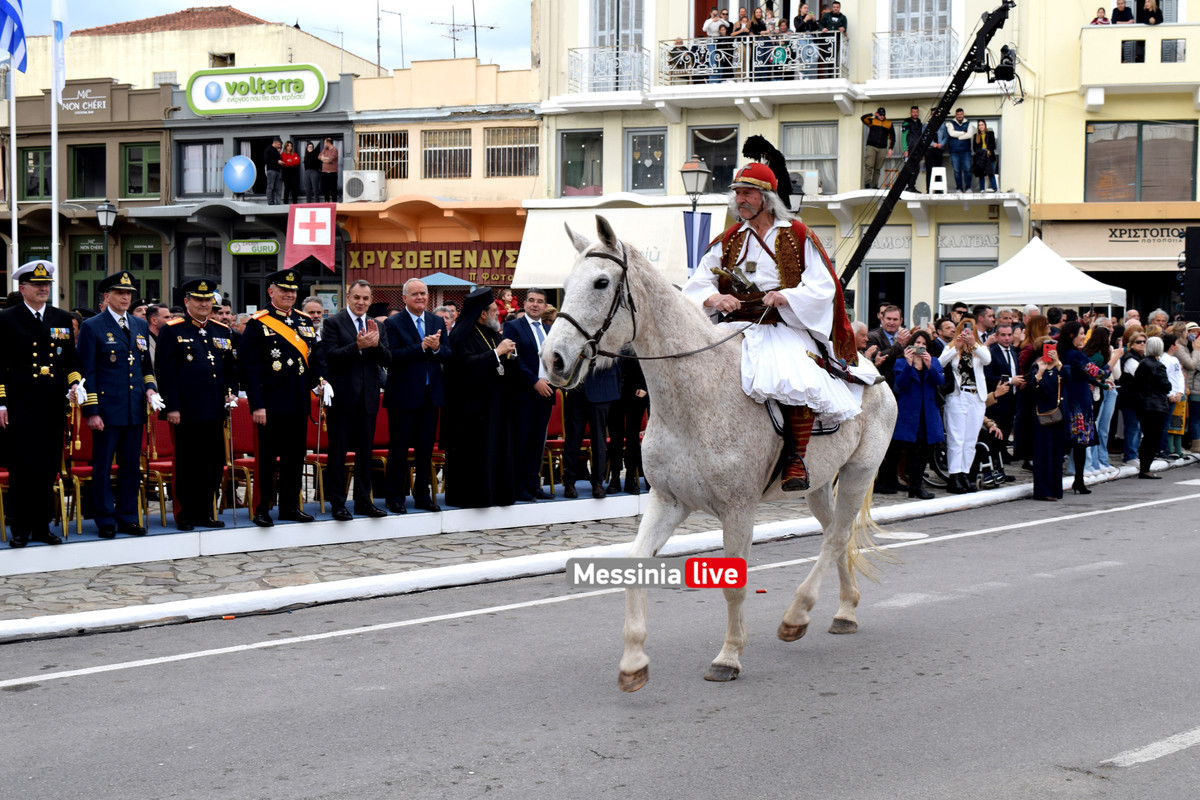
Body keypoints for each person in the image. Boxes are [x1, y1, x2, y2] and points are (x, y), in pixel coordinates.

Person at [682, 160, 868, 492]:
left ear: (766, 198)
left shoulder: (797, 235)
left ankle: (797, 459)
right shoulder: (727, 240)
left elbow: (824, 285)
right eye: (738, 193)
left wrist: (787, 298)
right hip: (737, 324)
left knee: (792, 373)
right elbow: (697, 284)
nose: (740, 199)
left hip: (783, 324)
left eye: (748, 193)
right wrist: (714, 300)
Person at [0, 261, 83, 547]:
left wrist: (74, 383)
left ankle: (43, 525)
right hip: (20, 402)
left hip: (50, 401)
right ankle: (21, 527)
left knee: (47, 466)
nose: (43, 289)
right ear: (22, 288)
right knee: (23, 467)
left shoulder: (60, 317)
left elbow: (70, 359)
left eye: (46, 284)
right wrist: (1, 403)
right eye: (37, 285)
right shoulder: (7, 318)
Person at [78, 271, 162, 538]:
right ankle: (104, 518)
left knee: (130, 466)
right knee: (102, 467)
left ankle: (127, 516)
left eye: (129, 293)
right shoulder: (93, 326)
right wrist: (91, 410)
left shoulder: (138, 325)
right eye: (120, 293)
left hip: (134, 407)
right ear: (107, 296)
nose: (126, 297)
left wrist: (150, 388)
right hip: (106, 407)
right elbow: (86, 372)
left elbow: (144, 365)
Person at [239, 268, 322, 527]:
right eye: (284, 290)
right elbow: (249, 370)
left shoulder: (304, 321)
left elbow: (314, 360)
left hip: (298, 402)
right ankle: (262, 509)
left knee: (294, 458)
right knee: (266, 460)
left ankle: (289, 507)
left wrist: (321, 383)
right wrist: (257, 405)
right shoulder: (257, 323)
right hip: (270, 404)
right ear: (271, 291)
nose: (289, 294)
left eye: (293, 291)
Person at [155, 278, 237, 531]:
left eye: (208, 299)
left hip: (214, 409)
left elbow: (230, 368)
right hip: (187, 411)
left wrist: (230, 393)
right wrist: (173, 408)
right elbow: (165, 372)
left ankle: (205, 511)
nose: (204, 304)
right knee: (188, 464)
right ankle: (185, 513)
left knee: (213, 464)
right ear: (186, 301)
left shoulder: (221, 330)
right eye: (198, 299)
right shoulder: (173, 330)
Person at [320, 280, 390, 520]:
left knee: (365, 453)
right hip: (343, 398)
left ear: (371, 300)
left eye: (366, 298)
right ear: (348, 297)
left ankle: (363, 501)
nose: (361, 302)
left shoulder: (376, 325)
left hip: (369, 397)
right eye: (357, 297)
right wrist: (357, 346)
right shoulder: (333, 323)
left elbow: (388, 359)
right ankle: (338, 503)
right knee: (338, 452)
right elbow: (330, 357)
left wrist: (376, 344)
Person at [443, 288, 519, 508]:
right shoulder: (461, 335)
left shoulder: (493, 333)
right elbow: (465, 367)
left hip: (496, 405)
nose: (497, 314)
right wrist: (496, 353)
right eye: (494, 310)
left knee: (498, 450)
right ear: (482, 313)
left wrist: (510, 356)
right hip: (472, 410)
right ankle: (476, 497)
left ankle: (498, 494)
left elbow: (502, 364)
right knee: (477, 454)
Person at [383, 278, 449, 513]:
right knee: (399, 450)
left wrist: (438, 348)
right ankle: (395, 496)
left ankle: (423, 495)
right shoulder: (393, 323)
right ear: (404, 298)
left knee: (425, 451)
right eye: (415, 294)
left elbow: (449, 354)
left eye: (423, 293)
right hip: (403, 396)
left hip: (430, 397)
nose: (420, 297)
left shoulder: (436, 320)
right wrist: (422, 347)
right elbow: (392, 357)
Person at [502, 287, 555, 501]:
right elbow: (513, 358)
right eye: (531, 300)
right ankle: (519, 487)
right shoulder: (513, 326)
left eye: (539, 301)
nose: (535, 304)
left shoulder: (550, 330)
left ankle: (533, 484)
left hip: (546, 393)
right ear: (524, 303)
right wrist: (534, 382)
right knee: (521, 441)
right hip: (524, 393)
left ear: (544, 306)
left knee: (537, 442)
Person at [938, 315, 991, 493]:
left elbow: (987, 360)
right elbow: (939, 363)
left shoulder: (979, 348)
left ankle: (965, 474)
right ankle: (954, 475)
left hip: (976, 397)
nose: (967, 333)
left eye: (970, 330)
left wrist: (973, 343)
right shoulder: (951, 347)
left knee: (970, 439)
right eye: (963, 330)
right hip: (957, 396)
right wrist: (956, 348)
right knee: (956, 438)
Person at [893, 329, 944, 500]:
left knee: (927, 449)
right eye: (917, 343)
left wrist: (930, 366)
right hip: (910, 413)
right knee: (913, 450)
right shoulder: (901, 362)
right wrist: (908, 365)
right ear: (911, 345)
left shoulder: (934, 361)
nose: (920, 347)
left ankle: (916, 485)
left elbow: (940, 381)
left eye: (923, 344)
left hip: (928, 413)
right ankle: (914, 486)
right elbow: (901, 384)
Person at [561, 362, 620, 499]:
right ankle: (569, 481)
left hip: (602, 386)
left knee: (599, 440)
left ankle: (598, 483)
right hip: (576, 389)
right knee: (573, 439)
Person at [1057, 321, 1103, 494]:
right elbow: (1099, 373)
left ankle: (1076, 480)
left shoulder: (1066, 353)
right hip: (1078, 403)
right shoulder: (1075, 355)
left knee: (1072, 443)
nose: (1084, 337)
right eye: (1082, 333)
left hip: (1071, 399)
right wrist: (1115, 356)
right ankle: (1078, 480)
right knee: (1079, 444)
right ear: (1071, 335)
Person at [1028, 337, 1066, 501]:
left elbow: (1068, 379)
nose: (1050, 351)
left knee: (1057, 454)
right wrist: (1040, 371)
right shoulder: (1037, 368)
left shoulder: (1061, 368)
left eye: (1052, 349)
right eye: (1047, 349)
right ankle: (1043, 490)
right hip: (1042, 416)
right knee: (1043, 454)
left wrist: (1057, 362)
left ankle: (1056, 489)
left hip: (1059, 415)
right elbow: (1031, 389)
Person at [606, 356, 650, 495]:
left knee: (633, 439)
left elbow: (650, 361)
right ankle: (615, 478)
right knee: (615, 439)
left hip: (637, 392)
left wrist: (645, 387)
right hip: (614, 392)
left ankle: (631, 478)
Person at [1083, 323, 1122, 473]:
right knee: (1094, 428)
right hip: (1094, 393)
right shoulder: (1098, 356)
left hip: (1097, 390)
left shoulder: (1091, 354)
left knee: (1097, 428)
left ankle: (1096, 463)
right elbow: (1098, 374)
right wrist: (1115, 357)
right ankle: (1089, 464)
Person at [1132, 337, 1171, 478]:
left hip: (1143, 404)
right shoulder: (1157, 366)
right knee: (1153, 437)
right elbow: (1166, 386)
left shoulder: (1142, 363)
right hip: (1156, 406)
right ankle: (1145, 468)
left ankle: (1144, 467)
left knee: (1148, 436)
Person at [1117, 327, 1146, 463]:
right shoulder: (1130, 358)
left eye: (1144, 342)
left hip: (1139, 398)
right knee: (1132, 427)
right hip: (1130, 398)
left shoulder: (1142, 357)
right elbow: (1142, 376)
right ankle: (1130, 455)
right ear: (1132, 344)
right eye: (1139, 341)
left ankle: (1134, 453)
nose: (1142, 344)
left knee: (1138, 427)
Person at [1162, 334, 1187, 458]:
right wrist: (1170, 394)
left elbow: (1179, 376)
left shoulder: (1175, 360)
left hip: (1176, 395)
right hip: (1168, 397)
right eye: (1176, 343)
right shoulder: (1164, 359)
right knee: (1165, 425)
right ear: (1172, 346)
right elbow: (1165, 378)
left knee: (1171, 423)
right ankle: (1164, 450)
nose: (1178, 345)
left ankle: (1169, 449)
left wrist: (1180, 392)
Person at [860, 107, 895, 189]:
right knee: (869, 165)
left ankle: (875, 185)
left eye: (883, 115)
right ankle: (867, 184)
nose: (882, 116)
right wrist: (872, 114)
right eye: (880, 114)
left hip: (882, 148)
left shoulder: (889, 123)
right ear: (877, 114)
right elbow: (863, 118)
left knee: (878, 168)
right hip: (871, 146)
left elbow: (892, 137)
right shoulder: (872, 121)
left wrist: (890, 148)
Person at [945, 109, 972, 192]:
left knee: (967, 170)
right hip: (954, 151)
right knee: (957, 171)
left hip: (966, 151)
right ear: (955, 115)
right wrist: (963, 133)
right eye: (958, 114)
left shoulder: (969, 123)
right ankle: (959, 188)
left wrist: (958, 136)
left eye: (961, 114)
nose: (959, 116)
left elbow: (970, 135)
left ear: (963, 114)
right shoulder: (950, 123)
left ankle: (968, 188)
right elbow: (951, 134)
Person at [900, 106, 924, 192]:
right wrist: (905, 149)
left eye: (916, 112)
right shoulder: (907, 122)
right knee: (909, 169)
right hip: (909, 149)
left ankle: (911, 186)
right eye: (913, 112)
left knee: (916, 169)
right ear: (910, 113)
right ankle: (908, 187)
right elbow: (903, 137)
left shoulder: (920, 123)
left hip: (918, 150)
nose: (915, 113)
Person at [972, 120, 998, 193]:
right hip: (980, 157)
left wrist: (988, 151)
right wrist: (982, 152)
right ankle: (982, 189)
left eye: (982, 125)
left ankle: (995, 189)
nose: (980, 126)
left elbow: (993, 145)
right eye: (979, 125)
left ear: (985, 125)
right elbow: (974, 148)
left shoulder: (990, 134)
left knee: (991, 172)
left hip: (989, 156)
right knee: (981, 174)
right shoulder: (976, 136)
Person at [264, 136, 283, 204]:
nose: (279, 146)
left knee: (277, 188)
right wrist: (277, 162)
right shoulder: (268, 149)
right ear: (274, 142)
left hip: (278, 171)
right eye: (278, 144)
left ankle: (277, 202)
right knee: (270, 187)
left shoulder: (276, 151)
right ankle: (270, 202)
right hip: (271, 170)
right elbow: (267, 160)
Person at [319, 137, 339, 203]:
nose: (324, 144)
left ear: (328, 143)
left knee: (333, 189)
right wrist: (325, 159)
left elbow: (330, 160)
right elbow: (319, 156)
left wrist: (324, 159)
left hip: (332, 173)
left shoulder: (334, 150)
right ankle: (326, 202)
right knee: (325, 189)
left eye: (325, 142)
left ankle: (334, 203)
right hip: (324, 172)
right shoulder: (325, 149)